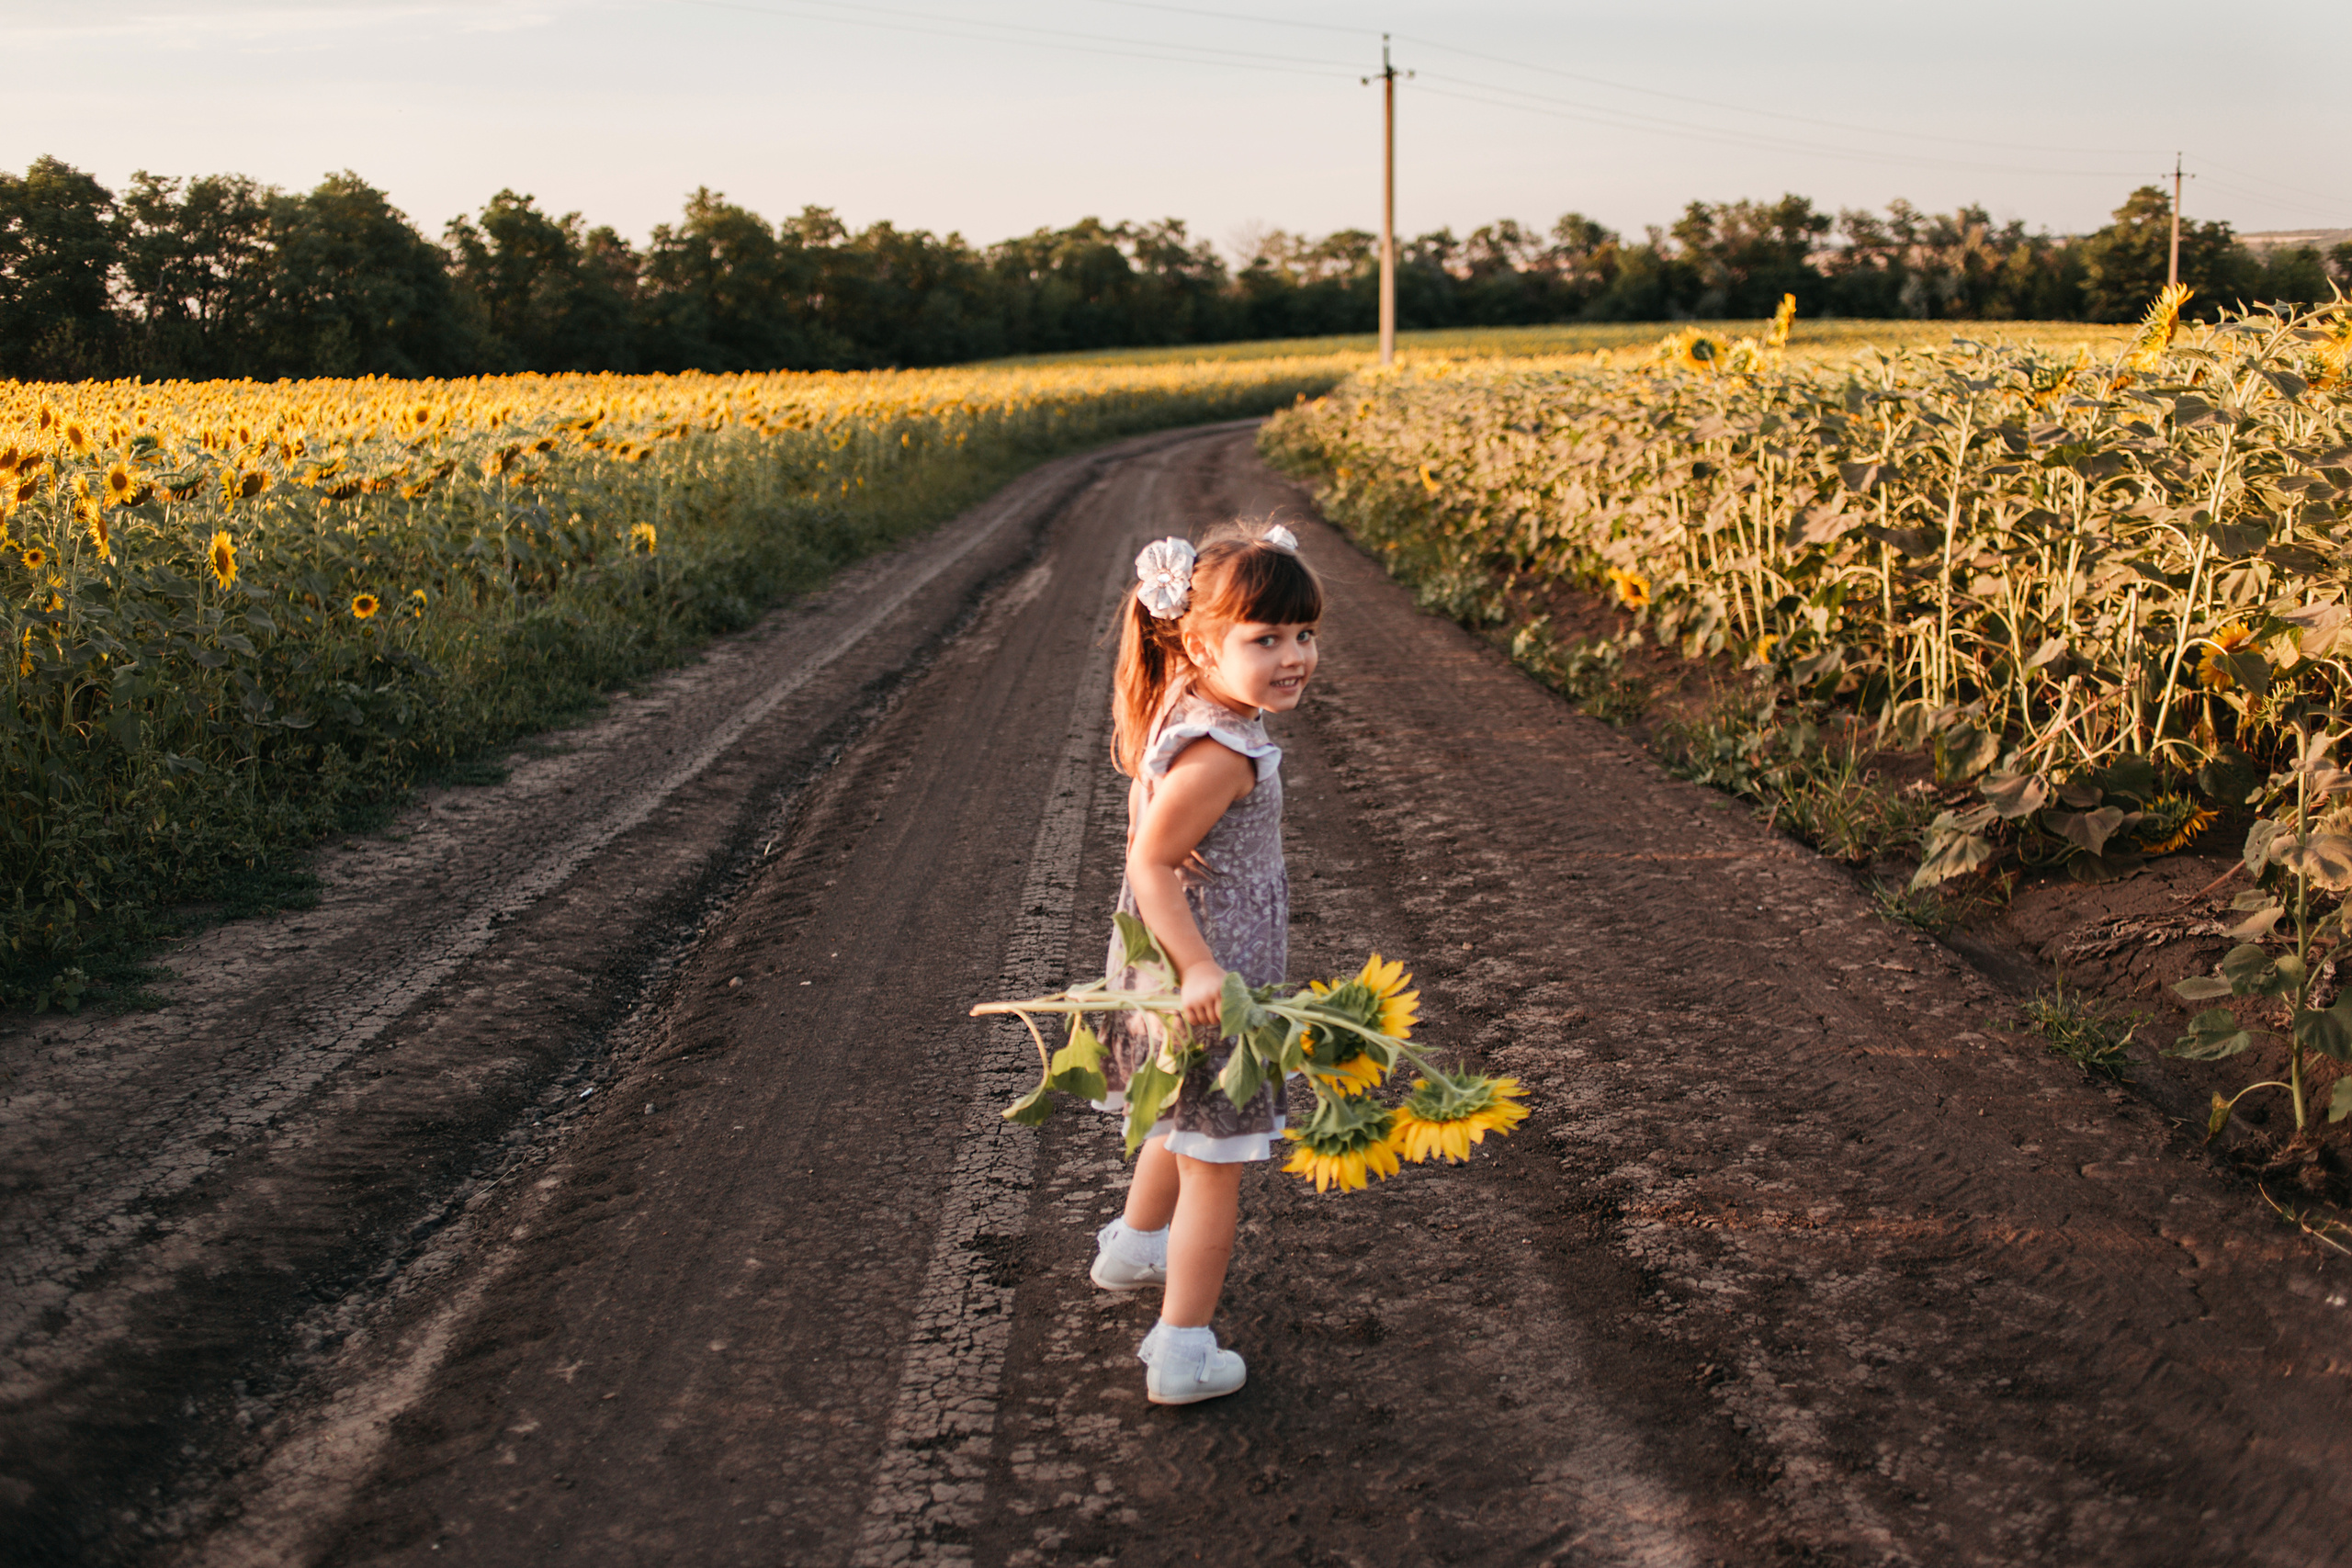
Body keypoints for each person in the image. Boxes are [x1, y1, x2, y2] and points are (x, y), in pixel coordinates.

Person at [1089, 520, 1323, 1405]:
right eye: (1266, 639)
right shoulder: (1224, 752)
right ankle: (1182, 1352)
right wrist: (1197, 968)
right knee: (1215, 1166)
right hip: (1203, 981)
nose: (1293, 656)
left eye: (1304, 633)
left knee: (1178, 1123)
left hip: (1171, 968)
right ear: (1200, 644)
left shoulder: (1187, 701)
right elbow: (1152, 860)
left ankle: (1132, 1247)